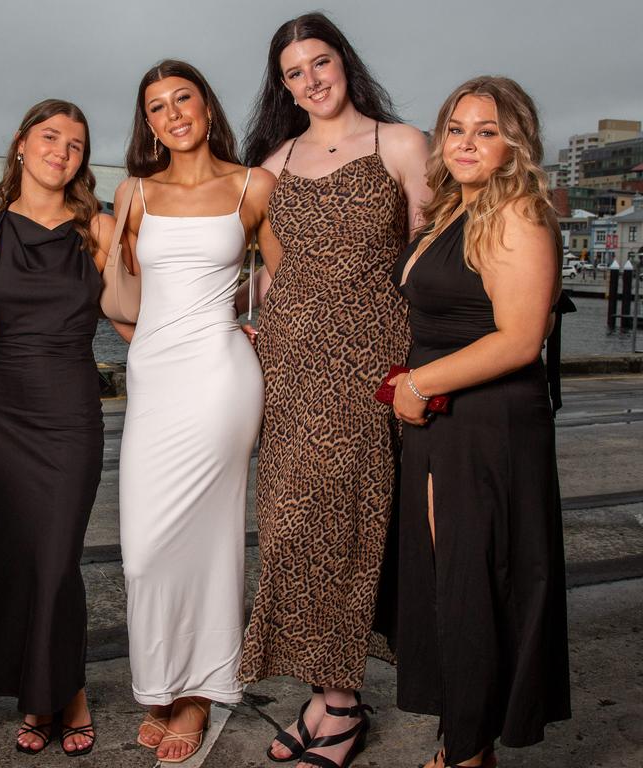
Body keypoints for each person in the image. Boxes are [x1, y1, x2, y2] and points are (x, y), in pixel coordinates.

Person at [237, 13, 432, 768]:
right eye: (294, 72)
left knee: (347, 523)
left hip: (368, 362)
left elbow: (424, 259)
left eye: (321, 62)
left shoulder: (401, 143)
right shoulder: (274, 161)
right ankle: (326, 692)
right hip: (291, 364)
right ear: (281, 84)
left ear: (343, 63)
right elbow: (275, 271)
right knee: (289, 525)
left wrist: (428, 363)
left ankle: (342, 705)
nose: (311, 80)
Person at [389, 76, 570, 768]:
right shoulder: (450, 211)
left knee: (474, 584)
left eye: (487, 130)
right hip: (444, 421)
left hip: (486, 423)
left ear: (513, 143)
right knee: (452, 584)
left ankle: (465, 755)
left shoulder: (517, 212)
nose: (467, 142)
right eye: (456, 128)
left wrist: (420, 382)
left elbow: (520, 338)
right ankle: (465, 744)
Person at [114, 59, 278, 764]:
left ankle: (198, 693)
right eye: (157, 105)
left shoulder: (252, 185)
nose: (173, 113)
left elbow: (288, 279)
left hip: (219, 377)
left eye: (183, 98)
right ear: (147, 123)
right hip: (153, 381)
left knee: (210, 538)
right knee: (146, 551)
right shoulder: (133, 193)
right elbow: (122, 297)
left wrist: (254, 328)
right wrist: (147, 344)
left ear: (207, 108)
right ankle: (164, 675)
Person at [0, 99, 115, 758]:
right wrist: (3, 361)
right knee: (13, 557)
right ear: (22, 144)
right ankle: (36, 693)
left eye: (76, 144)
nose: (61, 151)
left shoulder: (100, 231)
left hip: (70, 407)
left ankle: (70, 692)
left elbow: (138, 313)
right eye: (50, 137)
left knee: (58, 558)